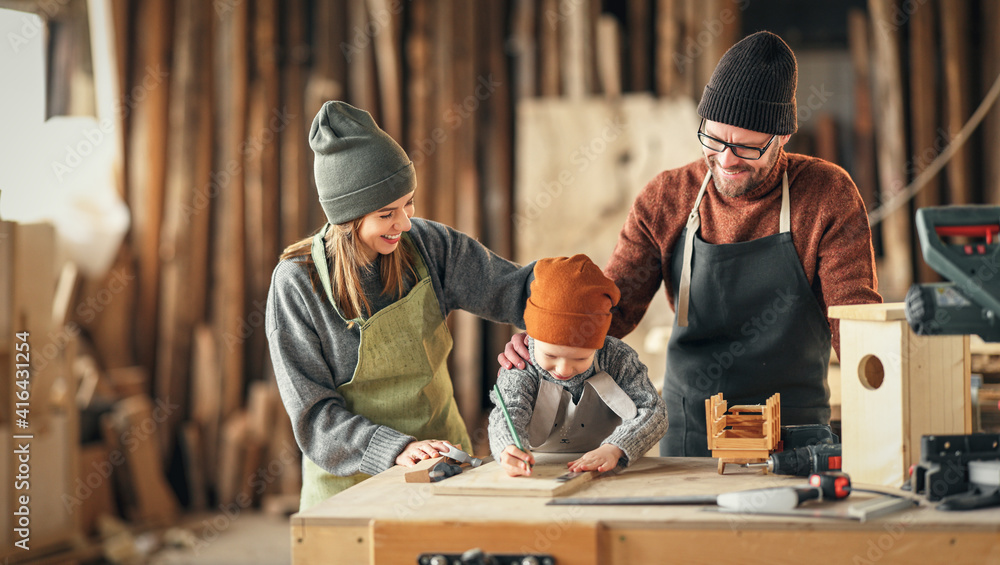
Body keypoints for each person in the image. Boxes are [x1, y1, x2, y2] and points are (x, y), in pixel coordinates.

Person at [500, 31, 881, 457]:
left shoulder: (828, 195)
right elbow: (612, 313)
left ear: (783, 137)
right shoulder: (667, 198)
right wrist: (548, 337)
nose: (726, 159)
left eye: (747, 147)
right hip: (690, 432)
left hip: (792, 432)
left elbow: (856, 323)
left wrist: (885, 402)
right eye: (714, 139)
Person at [266, 100, 535, 510]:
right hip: (350, 489)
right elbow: (314, 416)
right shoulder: (298, 285)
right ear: (347, 219)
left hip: (447, 466)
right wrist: (394, 449)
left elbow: (514, 290)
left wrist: (551, 317)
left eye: (409, 203)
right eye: (387, 213)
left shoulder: (428, 246)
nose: (406, 223)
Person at [489, 254, 667, 476]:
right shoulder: (521, 363)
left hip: (612, 468)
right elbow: (509, 412)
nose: (564, 369)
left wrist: (615, 449)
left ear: (599, 345)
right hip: (539, 468)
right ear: (531, 336)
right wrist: (508, 447)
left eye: (581, 358)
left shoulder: (617, 359)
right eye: (551, 355)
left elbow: (653, 410)